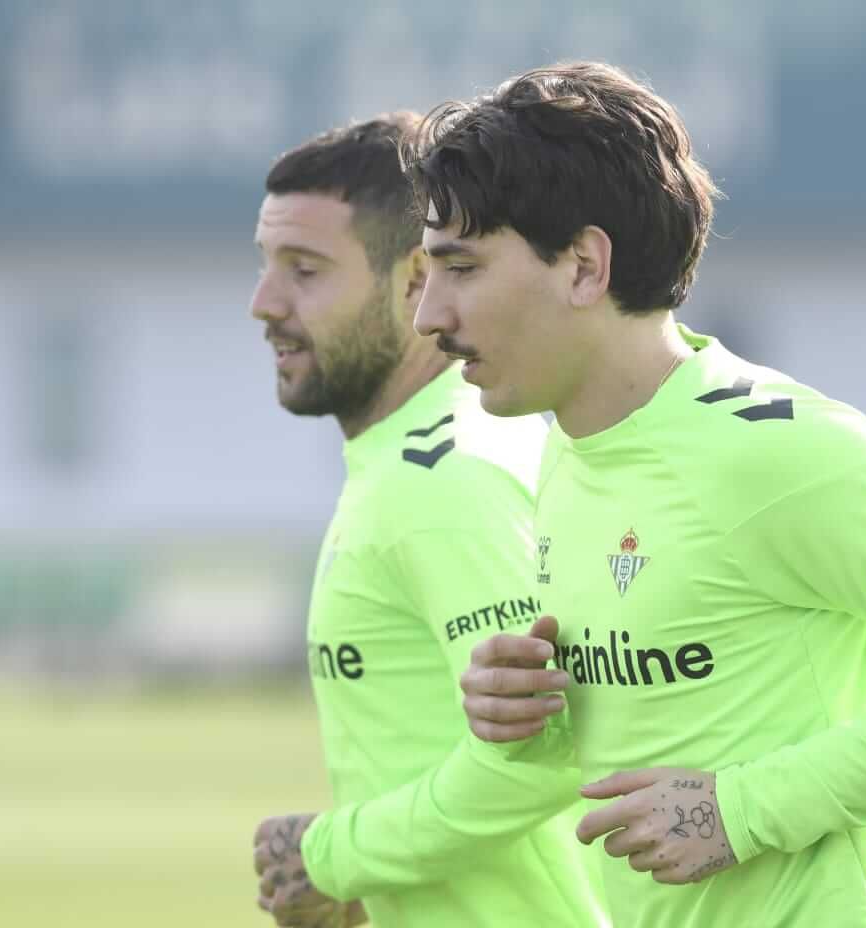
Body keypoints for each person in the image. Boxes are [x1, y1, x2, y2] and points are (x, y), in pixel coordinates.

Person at [403, 62, 866, 927]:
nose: (428, 316)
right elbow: (672, 715)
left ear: (583, 265)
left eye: (459, 268)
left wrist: (743, 812)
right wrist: (534, 715)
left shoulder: (780, 448)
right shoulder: (568, 451)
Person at [248, 113, 608, 928]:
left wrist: (332, 855)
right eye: (266, 266)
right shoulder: (409, 459)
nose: (263, 304)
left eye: (304, 272)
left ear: (416, 279)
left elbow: (544, 758)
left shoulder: (448, 480)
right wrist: (368, 885)